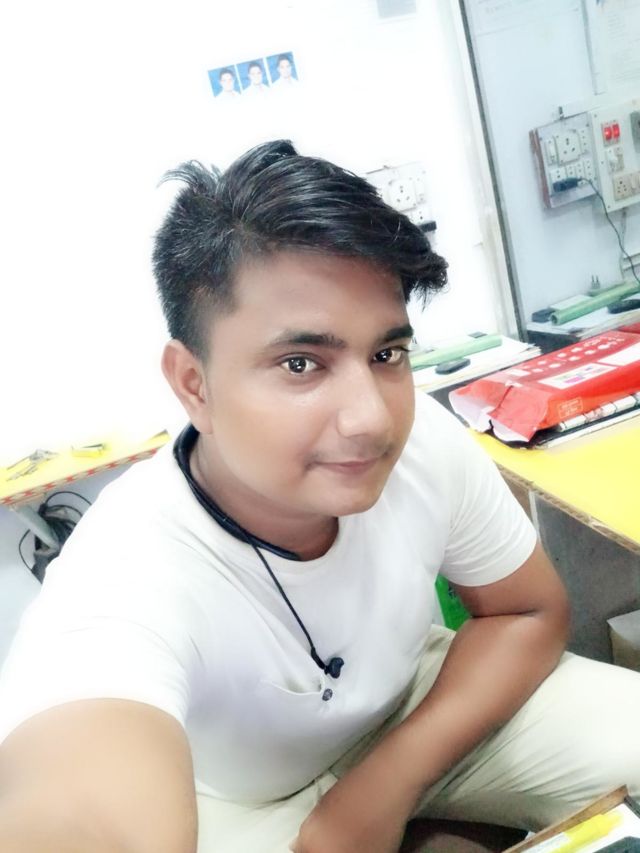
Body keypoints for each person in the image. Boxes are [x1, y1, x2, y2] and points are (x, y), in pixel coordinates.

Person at [0, 139, 639, 853]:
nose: (370, 418)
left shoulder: (422, 441)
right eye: (301, 364)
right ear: (193, 383)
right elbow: (79, 805)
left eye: (386, 354)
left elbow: (526, 609)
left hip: (416, 708)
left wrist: (385, 784)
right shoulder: (124, 571)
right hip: (240, 801)